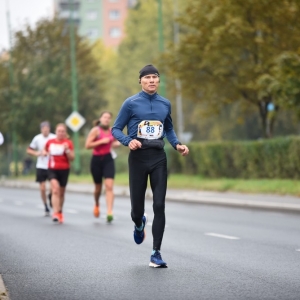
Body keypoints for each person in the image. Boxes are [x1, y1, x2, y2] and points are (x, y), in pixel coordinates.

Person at [112, 64, 189, 268]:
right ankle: (139, 223)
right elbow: (116, 129)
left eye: (155, 77)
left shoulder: (165, 104)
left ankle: (156, 253)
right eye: (147, 77)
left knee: (159, 205)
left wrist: (177, 144)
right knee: (137, 210)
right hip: (138, 158)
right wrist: (129, 141)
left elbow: (169, 129)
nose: (152, 80)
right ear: (141, 81)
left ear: (159, 80)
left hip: (158, 158)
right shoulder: (130, 103)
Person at [85, 112, 120, 222]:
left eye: (109, 118)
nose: (106, 119)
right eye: (105, 117)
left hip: (108, 159)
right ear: (100, 118)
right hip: (96, 160)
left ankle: (109, 211)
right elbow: (87, 145)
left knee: (109, 186)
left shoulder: (111, 131)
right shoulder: (95, 130)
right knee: (98, 188)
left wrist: (116, 144)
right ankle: (96, 203)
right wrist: (101, 141)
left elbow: (116, 142)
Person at [43, 123, 74, 223]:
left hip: (64, 169)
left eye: (63, 131)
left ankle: (60, 211)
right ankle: (55, 213)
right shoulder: (50, 142)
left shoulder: (68, 143)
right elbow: (44, 151)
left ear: (65, 133)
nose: (61, 133)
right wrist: (45, 153)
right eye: (59, 131)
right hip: (52, 169)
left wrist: (67, 150)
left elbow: (72, 158)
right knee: (55, 189)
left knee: (61, 192)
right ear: (55, 132)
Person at [27, 122, 56, 216]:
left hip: (51, 165)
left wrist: (49, 153)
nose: (45, 130)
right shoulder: (37, 138)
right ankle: (46, 206)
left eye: (47, 128)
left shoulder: (53, 137)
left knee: (53, 187)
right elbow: (29, 149)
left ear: (49, 129)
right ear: (41, 129)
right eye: (44, 128)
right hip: (41, 165)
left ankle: (51, 196)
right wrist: (36, 153)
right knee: (42, 187)